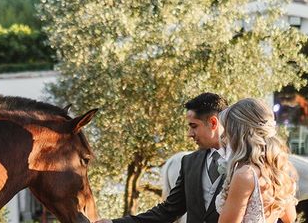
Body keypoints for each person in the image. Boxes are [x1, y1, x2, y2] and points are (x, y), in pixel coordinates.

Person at [96, 92, 229, 223]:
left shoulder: (244, 160)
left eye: (193, 126)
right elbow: (167, 211)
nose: (189, 134)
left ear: (213, 123)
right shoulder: (189, 163)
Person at [216, 98, 297, 223]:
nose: (224, 137)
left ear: (239, 133)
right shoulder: (277, 169)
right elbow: (290, 218)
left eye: (227, 129)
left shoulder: (245, 175)